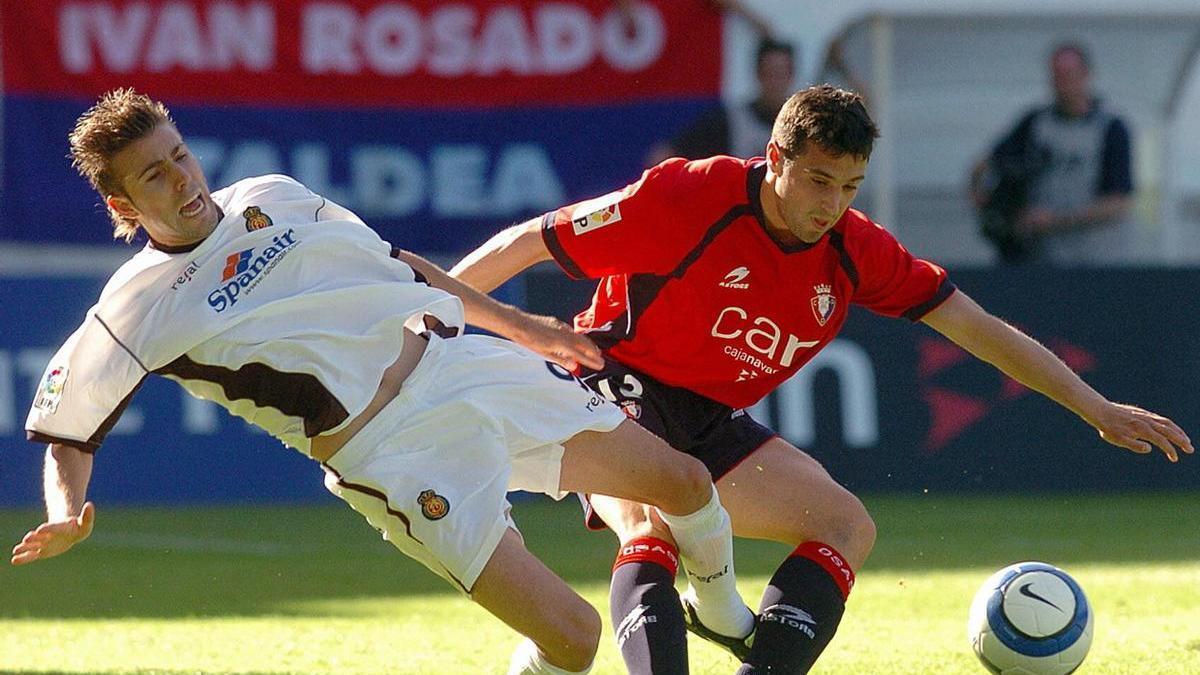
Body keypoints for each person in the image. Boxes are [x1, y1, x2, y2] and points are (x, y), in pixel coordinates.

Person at [10, 89, 757, 675]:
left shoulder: (275, 192)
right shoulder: (133, 308)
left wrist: (522, 327)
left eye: (179, 155)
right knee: (575, 638)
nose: (180, 178)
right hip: (393, 453)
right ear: (122, 205)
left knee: (686, 482)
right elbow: (69, 427)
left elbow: (400, 267)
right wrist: (68, 512)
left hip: (458, 366)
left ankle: (724, 615)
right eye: (153, 174)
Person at [450, 85, 1192, 674]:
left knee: (846, 525)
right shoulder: (687, 197)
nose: (830, 205)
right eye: (817, 180)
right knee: (651, 524)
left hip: (708, 415)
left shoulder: (855, 247)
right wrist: (428, 319)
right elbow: (528, 242)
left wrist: (1094, 406)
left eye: (849, 186)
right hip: (611, 382)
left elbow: (978, 328)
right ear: (773, 156)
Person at [970, 41, 1135, 265]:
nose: (1062, 83)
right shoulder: (1035, 123)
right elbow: (985, 163)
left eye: (1068, 75)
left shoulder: (1111, 128)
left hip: (1098, 262)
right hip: (1043, 260)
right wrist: (983, 196)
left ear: (1086, 75)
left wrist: (1054, 220)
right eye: (1056, 76)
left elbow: (1119, 202)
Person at [647, 37, 796, 166]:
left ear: (791, 75)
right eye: (770, 73)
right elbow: (663, 155)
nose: (775, 82)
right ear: (757, 73)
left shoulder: (801, 126)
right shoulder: (728, 120)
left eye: (781, 73)